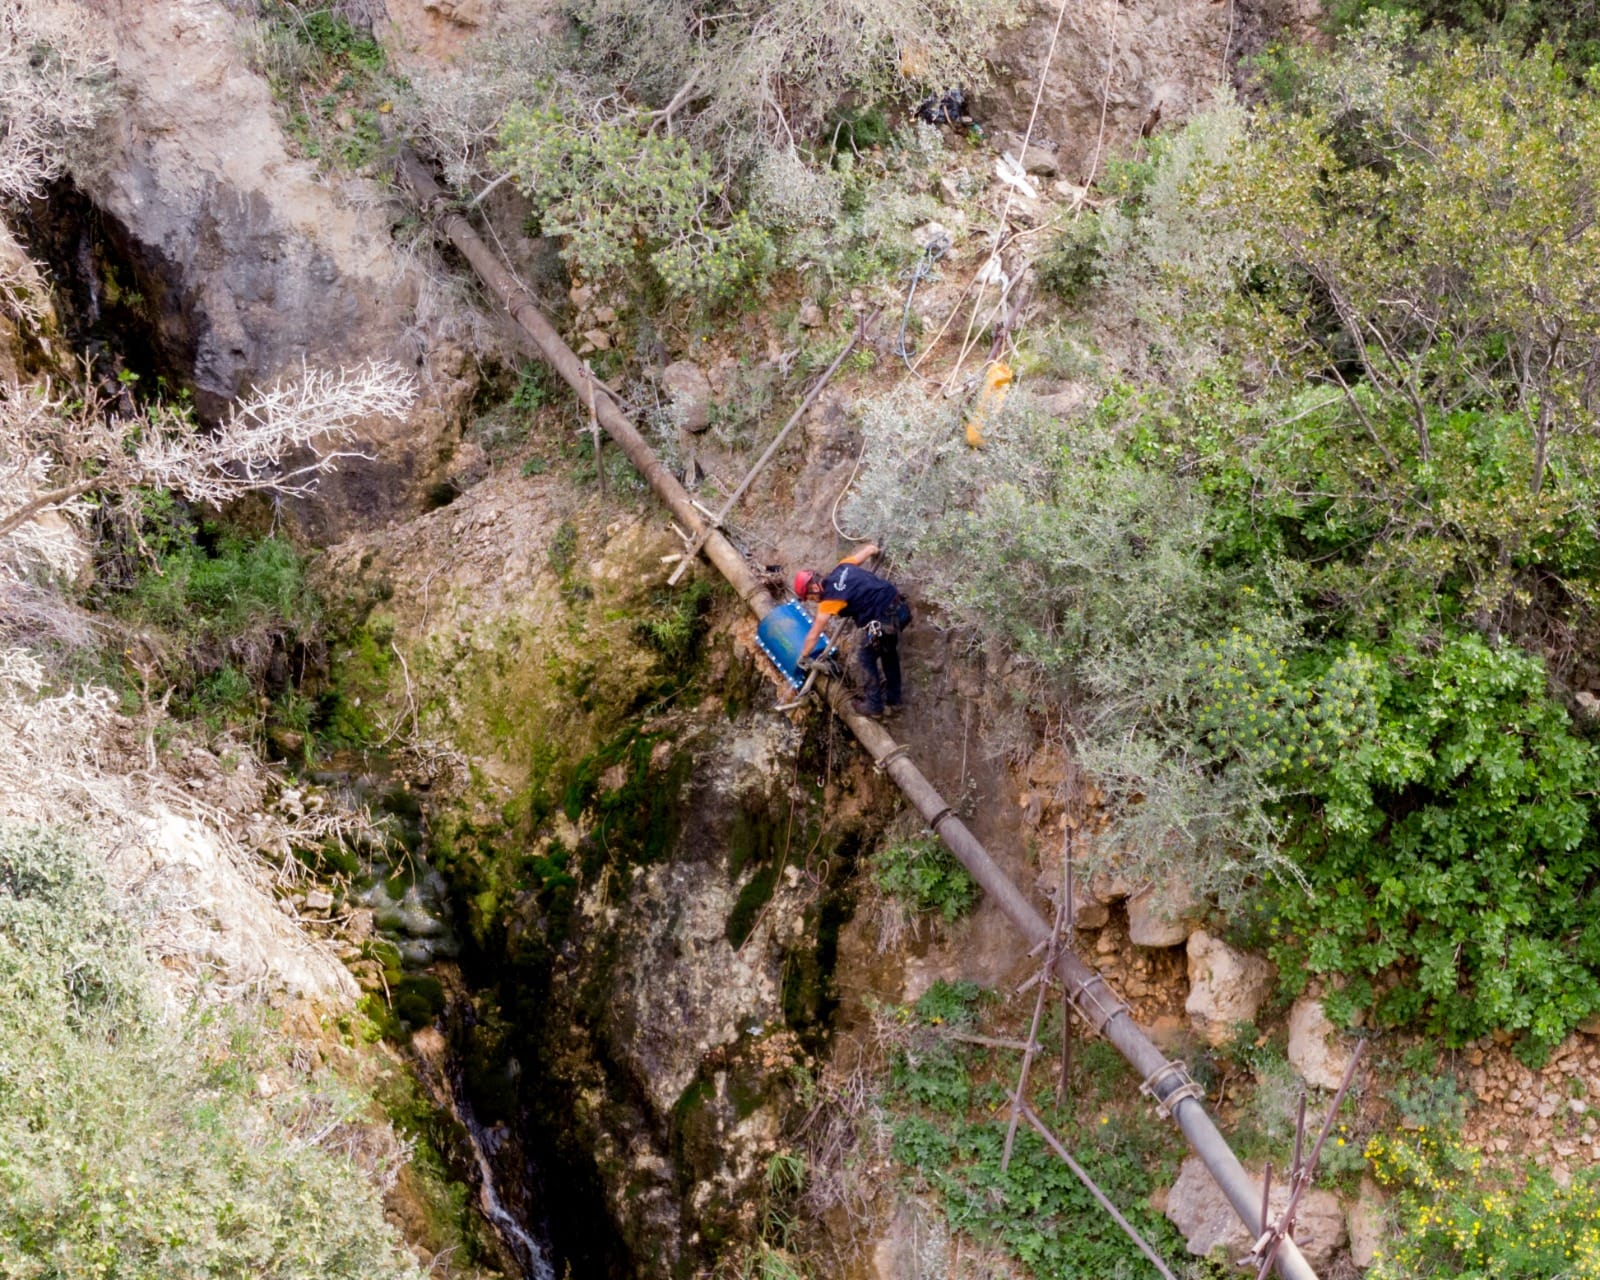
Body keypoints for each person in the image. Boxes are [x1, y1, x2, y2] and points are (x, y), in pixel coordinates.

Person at [793, 543, 909, 718]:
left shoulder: (829, 600)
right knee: (888, 654)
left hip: (884, 621)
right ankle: (894, 700)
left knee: (865, 657)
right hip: (900, 609)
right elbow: (869, 550)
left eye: (810, 597)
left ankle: (874, 705)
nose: (812, 601)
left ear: (815, 588)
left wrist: (803, 657)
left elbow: (814, 634)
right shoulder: (843, 567)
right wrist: (876, 550)